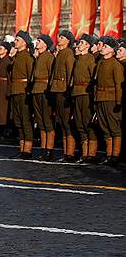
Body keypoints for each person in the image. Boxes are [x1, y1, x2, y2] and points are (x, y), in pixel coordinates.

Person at [93, 36, 123, 165]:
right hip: (100, 98)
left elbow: (118, 84)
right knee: (105, 127)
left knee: (114, 128)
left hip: (111, 99)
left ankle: (115, 155)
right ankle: (109, 154)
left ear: (112, 50)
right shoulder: (100, 63)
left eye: (105, 46)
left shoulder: (116, 65)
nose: (102, 48)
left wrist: (118, 102)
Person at [72, 34, 97, 163]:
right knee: (79, 123)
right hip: (76, 93)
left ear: (88, 45)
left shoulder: (90, 59)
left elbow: (93, 79)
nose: (79, 45)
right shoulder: (78, 59)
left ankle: (91, 154)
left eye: (82, 42)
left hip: (86, 94)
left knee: (88, 123)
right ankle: (84, 152)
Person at [10, 31, 35, 159]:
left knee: (25, 120)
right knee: (18, 121)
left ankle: (28, 150)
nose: (15, 42)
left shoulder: (27, 57)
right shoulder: (17, 56)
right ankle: (22, 147)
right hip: (15, 90)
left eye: (18, 40)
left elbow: (31, 76)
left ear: (24, 43)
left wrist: (29, 92)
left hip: (24, 91)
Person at [51, 30, 75, 161]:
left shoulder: (68, 54)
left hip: (64, 90)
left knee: (66, 122)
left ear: (68, 41)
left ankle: (70, 153)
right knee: (61, 121)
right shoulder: (60, 53)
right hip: (58, 90)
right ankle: (66, 152)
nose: (59, 39)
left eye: (62, 37)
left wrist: (69, 90)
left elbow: (70, 73)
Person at [31, 34, 56, 160]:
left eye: (39, 41)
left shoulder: (48, 57)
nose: (37, 42)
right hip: (36, 90)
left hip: (45, 90)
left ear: (45, 45)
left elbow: (51, 75)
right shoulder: (39, 57)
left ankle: (49, 150)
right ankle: (43, 148)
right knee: (40, 121)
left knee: (47, 121)